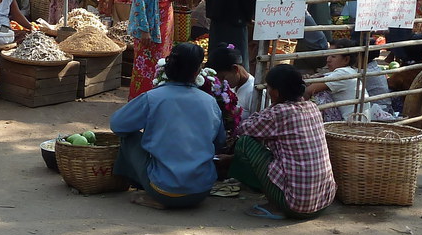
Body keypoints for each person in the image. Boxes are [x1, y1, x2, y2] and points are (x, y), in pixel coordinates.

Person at [110, 42, 224, 210]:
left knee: (129, 137)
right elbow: (219, 142)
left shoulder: (153, 97)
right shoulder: (210, 101)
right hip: (201, 191)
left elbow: (117, 125)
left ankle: (142, 189)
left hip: (163, 190)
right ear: (197, 71)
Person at [229, 64, 337, 219]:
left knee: (245, 143)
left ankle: (274, 204)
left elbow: (243, 129)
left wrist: (265, 111)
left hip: (296, 205)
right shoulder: (312, 107)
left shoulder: (279, 113)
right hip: (323, 201)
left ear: (277, 92)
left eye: (269, 88)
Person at [128, 0, 179, 99]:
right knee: (145, 63)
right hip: (150, 22)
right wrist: (145, 30)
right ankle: (141, 98)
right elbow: (139, 4)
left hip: (165, 19)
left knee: (162, 59)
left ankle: (158, 95)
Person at [208, 43, 258, 115]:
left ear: (235, 69)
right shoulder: (233, 86)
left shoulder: (254, 92)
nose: (221, 82)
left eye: (223, 77)